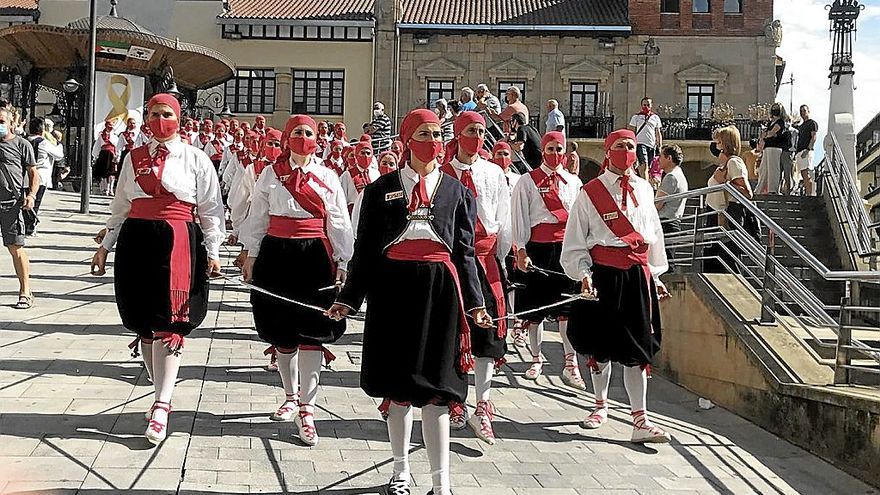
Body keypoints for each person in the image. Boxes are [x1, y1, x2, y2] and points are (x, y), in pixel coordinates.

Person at [327, 108, 491, 495]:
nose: (432, 142)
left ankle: (441, 483)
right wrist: (348, 299)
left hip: (441, 293)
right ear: (406, 140)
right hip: (393, 290)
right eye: (423, 134)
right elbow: (365, 251)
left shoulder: (459, 192)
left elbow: (465, 253)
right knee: (398, 388)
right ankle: (400, 474)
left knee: (437, 390)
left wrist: (476, 303)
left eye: (437, 134)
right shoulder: (380, 190)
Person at [90, 94, 225, 445]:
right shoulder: (133, 159)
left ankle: (161, 405)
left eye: (166, 114)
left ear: (178, 119)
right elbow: (120, 206)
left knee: (168, 322)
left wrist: (213, 251)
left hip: (177, 240)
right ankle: (159, 391)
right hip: (137, 240)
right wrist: (105, 247)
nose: (159, 119)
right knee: (145, 324)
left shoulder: (195, 158)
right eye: (153, 113)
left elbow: (211, 209)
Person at [239, 115, 353, 446]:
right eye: (297, 133)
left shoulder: (327, 176)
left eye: (309, 133)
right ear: (287, 138)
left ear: (318, 139)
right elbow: (258, 217)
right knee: (282, 331)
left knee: (313, 332)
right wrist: (251, 254)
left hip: (315, 256)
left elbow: (339, 221)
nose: (303, 137)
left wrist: (342, 260)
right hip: (276, 255)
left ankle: (308, 408)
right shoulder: (270, 174)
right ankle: (290, 396)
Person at [561, 128, 672, 444]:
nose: (626, 151)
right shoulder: (590, 192)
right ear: (607, 152)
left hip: (636, 276)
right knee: (601, 345)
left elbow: (652, 236)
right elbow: (576, 241)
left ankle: (640, 420)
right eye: (620, 146)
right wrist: (582, 273)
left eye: (631, 146)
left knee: (637, 349)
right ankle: (600, 405)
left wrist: (655, 274)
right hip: (602, 275)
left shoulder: (646, 190)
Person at [439, 111, 511, 444]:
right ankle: (456, 401)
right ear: (457, 133)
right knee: (453, 333)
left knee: (487, 336)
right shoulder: (440, 174)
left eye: (482, 131)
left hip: (484, 260)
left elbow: (503, 217)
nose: (477, 137)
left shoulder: (494, 172)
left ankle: (483, 403)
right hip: (451, 262)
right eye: (471, 130)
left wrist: (503, 254)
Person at [510, 130, 584, 387]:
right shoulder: (527, 181)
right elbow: (518, 216)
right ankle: (535, 358)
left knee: (567, 310)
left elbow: (579, 218)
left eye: (559, 150)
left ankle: (570, 362)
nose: (555, 154)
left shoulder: (574, 183)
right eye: (550, 149)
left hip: (565, 249)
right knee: (535, 310)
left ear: (565, 153)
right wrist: (520, 249)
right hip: (537, 249)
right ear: (543, 151)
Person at [705, 126, 757, 273]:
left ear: (726, 143)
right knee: (713, 261)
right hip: (716, 214)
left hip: (726, 215)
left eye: (719, 141)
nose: (716, 144)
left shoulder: (734, 162)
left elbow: (747, 192)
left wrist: (725, 183)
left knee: (725, 259)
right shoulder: (726, 163)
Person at [0, 107, 38, 309]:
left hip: (11, 204)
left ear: (12, 123)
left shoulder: (22, 145)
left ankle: (25, 291)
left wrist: (31, 195)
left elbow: (34, 174)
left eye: (1, 121)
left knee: (15, 248)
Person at [25, 117, 64, 236]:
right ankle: (30, 228)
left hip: (25, 176)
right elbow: (59, 155)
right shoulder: (44, 143)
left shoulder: (24, 141)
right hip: (41, 176)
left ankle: (26, 225)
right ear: (42, 130)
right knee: (35, 202)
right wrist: (58, 144)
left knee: (26, 200)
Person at [655, 144, 688, 272]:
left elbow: (657, 204)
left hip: (665, 222)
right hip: (673, 221)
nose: (658, 159)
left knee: (665, 260)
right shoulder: (680, 175)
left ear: (669, 158)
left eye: (661, 156)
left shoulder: (671, 177)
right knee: (669, 258)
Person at [340, 139, 381, 213]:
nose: (366, 156)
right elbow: (342, 199)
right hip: (354, 212)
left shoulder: (376, 173)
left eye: (368, 153)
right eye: (362, 153)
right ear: (356, 155)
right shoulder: (347, 175)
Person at [628, 97, 663, 180]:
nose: (646, 106)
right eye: (644, 105)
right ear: (641, 106)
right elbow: (632, 131)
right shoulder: (636, 117)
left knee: (649, 167)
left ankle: (642, 180)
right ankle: (645, 184)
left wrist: (660, 145)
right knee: (644, 164)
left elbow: (658, 132)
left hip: (651, 145)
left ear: (651, 106)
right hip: (640, 143)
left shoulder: (655, 118)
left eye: (648, 105)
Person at [757, 103, 788, 195]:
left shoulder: (780, 122)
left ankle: (773, 190)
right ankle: (759, 189)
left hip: (775, 147)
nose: (775, 110)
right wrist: (767, 134)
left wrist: (768, 134)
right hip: (767, 147)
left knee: (773, 169)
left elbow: (771, 133)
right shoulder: (770, 123)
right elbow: (767, 134)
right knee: (764, 169)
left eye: (777, 109)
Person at [795, 105, 818, 196]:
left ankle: (810, 194)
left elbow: (814, 136)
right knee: (803, 174)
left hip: (807, 151)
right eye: (801, 111)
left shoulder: (812, 123)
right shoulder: (801, 126)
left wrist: (808, 149)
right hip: (799, 152)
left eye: (804, 110)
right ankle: (808, 192)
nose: (802, 112)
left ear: (808, 111)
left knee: (806, 173)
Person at [92, 120, 118, 196]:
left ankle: (110, 189)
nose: (110, 128)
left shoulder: (114, 135)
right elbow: (97, 146)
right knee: (103, 173)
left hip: (112, 155)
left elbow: (117, 145)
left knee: (111, 173)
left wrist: (117, 155)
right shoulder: (101, 135)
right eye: (108, 126)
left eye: (111, 127)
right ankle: (104, 188)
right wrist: (95, 156)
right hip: (103, 154)